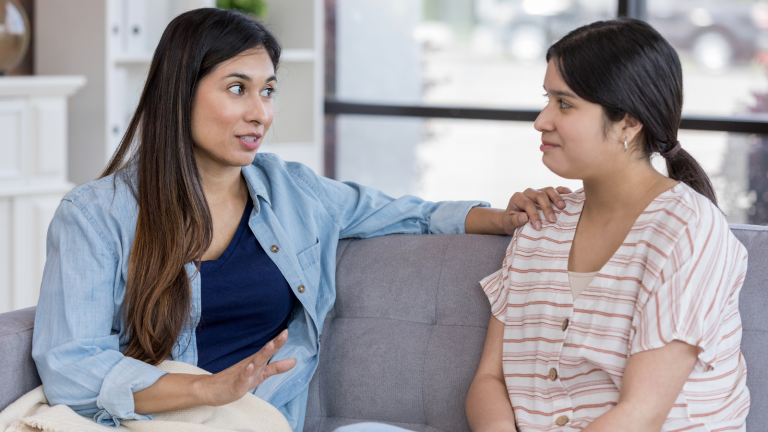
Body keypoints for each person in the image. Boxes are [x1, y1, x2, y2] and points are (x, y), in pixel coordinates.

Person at [31, 8, 570, 432]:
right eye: (237, 88)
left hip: (255, 421)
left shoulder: (293, 191)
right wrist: (208, 389)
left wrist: (505, 217)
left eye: (268, 90)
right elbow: (69, 365)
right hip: (144, 419)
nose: (260, 112)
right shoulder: (96, 215)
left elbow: (413, 214)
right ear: (180, 92)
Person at [466, 18, 750, 432]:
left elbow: (641, 415)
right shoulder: (543, 222)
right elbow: (490, 379)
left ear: (629, 123)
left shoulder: (688, 228)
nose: (541, 120)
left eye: (564, 104)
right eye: (547, 99)